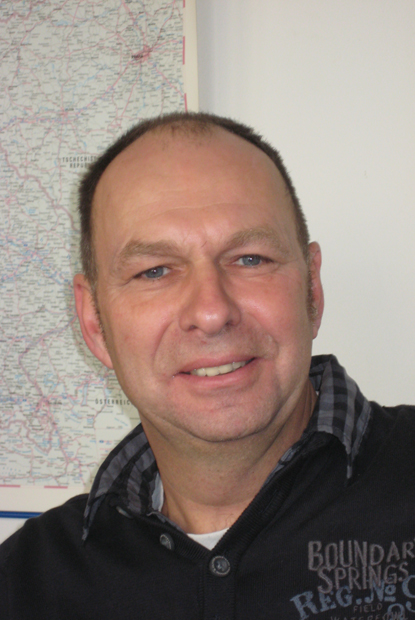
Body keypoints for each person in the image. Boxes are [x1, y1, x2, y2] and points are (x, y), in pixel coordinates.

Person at [1, 112, 415, 620]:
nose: (212, 311)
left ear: (311, 288)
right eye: (155, 271)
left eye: (251, 259)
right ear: (94, 322)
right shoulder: (25, 583)